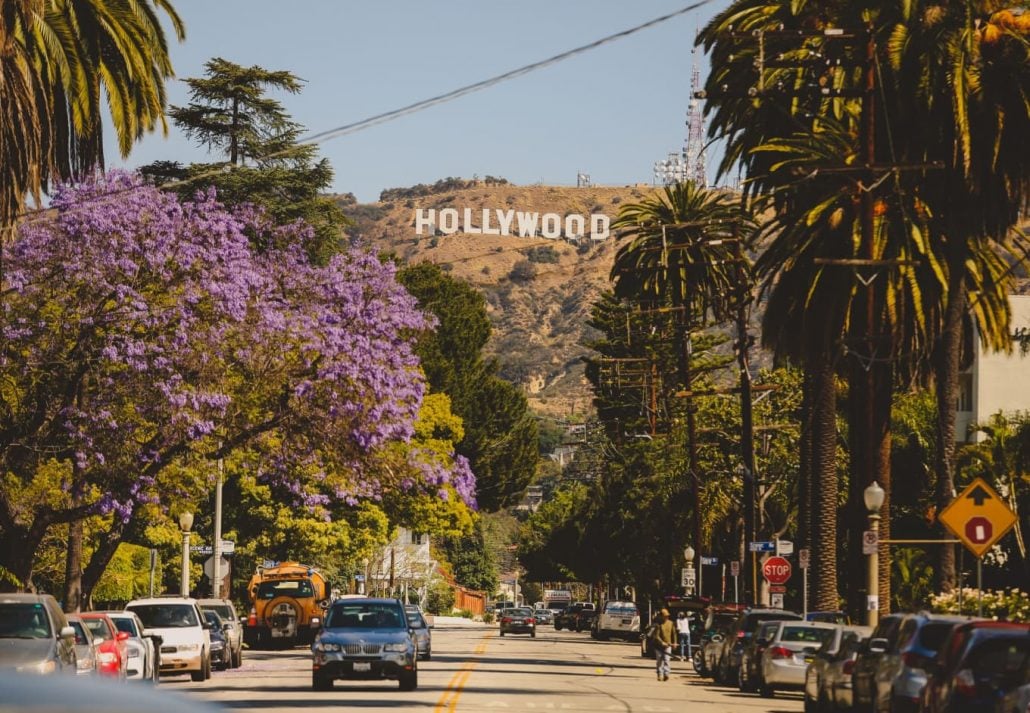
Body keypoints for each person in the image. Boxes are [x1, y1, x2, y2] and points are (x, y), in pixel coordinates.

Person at [651, 608, 677, 681]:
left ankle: (666, 674)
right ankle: (659, 674)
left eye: (667, 616)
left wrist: (674, 643)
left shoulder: (671, 623)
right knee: (659, 660)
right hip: (659, 646)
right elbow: (656, 635)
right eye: (665, 616)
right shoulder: (658, 624)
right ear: (661, 616)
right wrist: (662, 642)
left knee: (667, 659)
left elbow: (674, 634)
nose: (666, 617)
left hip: (668, 645)